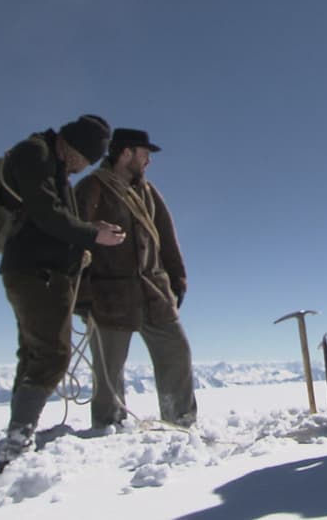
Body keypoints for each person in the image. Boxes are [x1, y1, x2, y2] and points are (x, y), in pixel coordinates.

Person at [0, 115, 127, 472]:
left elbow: (55, 221)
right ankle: (17, 444)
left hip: (43, 274)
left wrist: (87, 234)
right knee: (52, 354)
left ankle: (18, 436)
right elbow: (46, 214)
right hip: (35, 274)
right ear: (76, 148)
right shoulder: (34, 154)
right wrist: (92, 234)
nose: (85, 168)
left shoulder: (51, 164)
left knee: (35, 354)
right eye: (87, 159)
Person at [74, 128, 198, 430]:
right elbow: (72, 236)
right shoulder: (91, 187)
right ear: (126, 153)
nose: (148, 162)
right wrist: (81, 296)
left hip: (155, 292)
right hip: (108, 295)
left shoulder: (148, 192)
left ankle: (180, 422)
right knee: (108, 370)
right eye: (144, 154)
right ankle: (108, 427)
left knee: (176, 352)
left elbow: (166, 237)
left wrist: (177, 279)